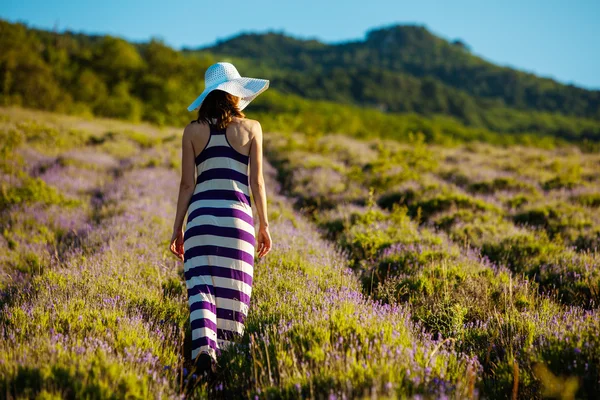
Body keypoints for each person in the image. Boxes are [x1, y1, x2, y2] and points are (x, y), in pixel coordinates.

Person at [169, 62, 272, 378]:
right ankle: (222, 370)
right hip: (237, 222)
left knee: (200, 290)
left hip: (200, 220)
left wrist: (177, 228)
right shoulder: (252, 128)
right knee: (233, 294)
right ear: (236, 94)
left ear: (208, 95)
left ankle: (203, 352)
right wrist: (264, 225)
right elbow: (257, 183)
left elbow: (188, 184)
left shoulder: (192, 131)